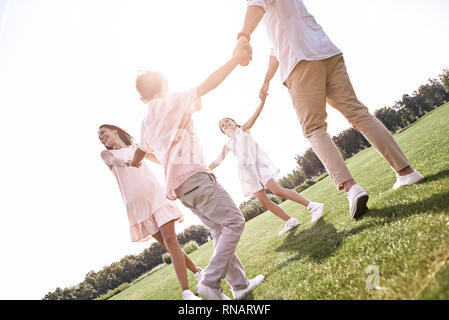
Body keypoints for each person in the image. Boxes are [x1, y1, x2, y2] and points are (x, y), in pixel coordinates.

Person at [233, 0, 423, 219]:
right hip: (326, 52)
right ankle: (406, 172)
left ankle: (351, 188)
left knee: (314, 128)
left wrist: (243, 36)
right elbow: (276, 47)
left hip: (299, 62)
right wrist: (266, 80)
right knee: (358, 113)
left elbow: (257, 4)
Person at [127, 49, 263, 300]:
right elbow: (208, 84)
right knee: (234, 221)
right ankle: (210, 281)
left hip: (180, 189)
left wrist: (134, 160)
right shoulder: (173, 100)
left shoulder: (146, 122)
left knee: (219, 231)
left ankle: (240, 286)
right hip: (197, 178)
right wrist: (234, 59)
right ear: (164, 85)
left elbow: (138, 155)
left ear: (142, 98)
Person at [98, 124, 203, 300]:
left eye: (103, 132)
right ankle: (198, 272)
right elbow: (114, 161)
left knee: (171, 240)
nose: (101, 137)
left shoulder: (136, 147)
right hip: (137, 207)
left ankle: (186, 293)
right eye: (99, 137)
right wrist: (128, 161)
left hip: (156, 197)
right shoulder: (107, 154)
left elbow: (159, 159)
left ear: (115, 131)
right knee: (169, 246)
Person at [208, 96, 324, 235]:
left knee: (277, 191)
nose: (225, 124)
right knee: (263, 201)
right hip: (248, 172)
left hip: (259, 164)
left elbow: (255, 116)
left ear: (234, 122)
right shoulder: (227, 144)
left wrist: (262, 102)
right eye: (222, 125)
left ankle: (313, 206)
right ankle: (290, 221)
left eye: (227, 121)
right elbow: (217, 161)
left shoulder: (243, 130)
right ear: (222, 131)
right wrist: (204, 169)